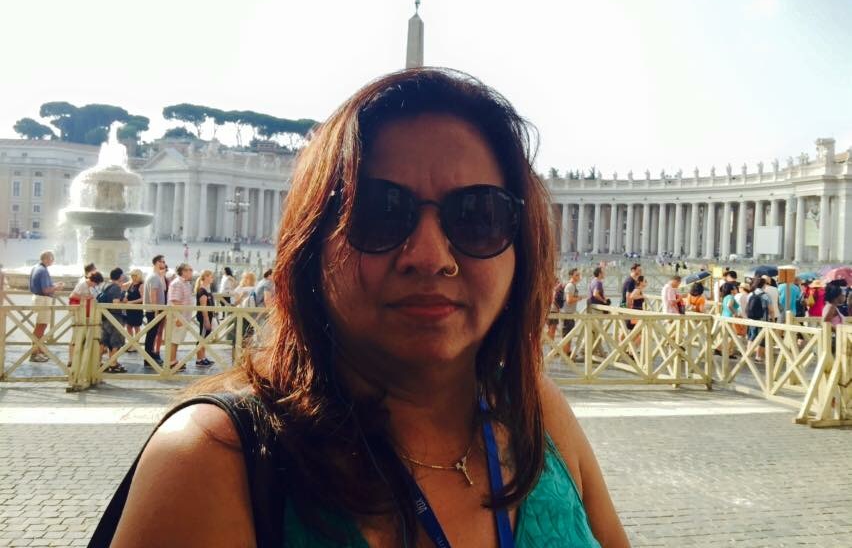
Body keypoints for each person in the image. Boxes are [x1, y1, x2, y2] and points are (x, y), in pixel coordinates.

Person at [102, 68, 627, 546]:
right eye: (380, 213)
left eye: (477, 216)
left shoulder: (537, 410)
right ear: (312, 243)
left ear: (523, 248)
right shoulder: (210, 461)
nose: (430, 257)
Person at [28, 250, 64, 362]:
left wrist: (54, 285)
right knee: (41, 326)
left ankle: (38, 350)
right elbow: (45, 290)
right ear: (46, 259)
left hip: (38, 298)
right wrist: (57, 287)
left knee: (39, 326)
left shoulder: (36, 268)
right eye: (52, 258)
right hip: (43, 300)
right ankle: (35, 353)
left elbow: (42, 286)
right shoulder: (43, 271)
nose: (53, 261)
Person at [166, 263, 202, 370]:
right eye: (190, 270)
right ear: (183, 272)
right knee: (174, 340)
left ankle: (173, 360)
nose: (191, 272)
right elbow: (175, 301)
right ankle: (171, 362)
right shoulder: (177, 283)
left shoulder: (186, 283)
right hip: (178, 316)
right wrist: (179, 317)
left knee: (177, 340)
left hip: (184, 316)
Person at [67, 263, 97, 367]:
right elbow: (72, 295)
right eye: (95, 270)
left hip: (85, 314)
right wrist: (86, 298)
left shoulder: (87, 283)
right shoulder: (83, 283)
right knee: (76, 335)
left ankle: (79, 359)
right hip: (79, 313)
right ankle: (72, 360)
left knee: (83, 336)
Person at [99, 267, 128, 373]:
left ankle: (98, 362)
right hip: (114, 317)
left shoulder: (106, 285)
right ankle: (113, 364)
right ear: (119, 276)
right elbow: (115, 303)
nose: (123, 276)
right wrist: (124, 301)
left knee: (104, 341)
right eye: (122, 274)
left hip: (105, 317)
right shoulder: (116, 287)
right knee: (116, 341)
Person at [143, 255, 167, 366]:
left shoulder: (154, 276)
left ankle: (149, 356)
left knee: (152, 334)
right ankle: (148, 357)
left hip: (153, 310)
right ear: (157, 263)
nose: (164, 264)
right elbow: (153, 295)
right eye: (163, 262)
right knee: (151, 334)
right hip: (154, 311)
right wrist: (157, 311)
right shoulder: (154, 277)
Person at [193, 270, 216, 367]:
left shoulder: (206, 289)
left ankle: (203, 357)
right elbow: (203, 307)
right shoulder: (202, 290)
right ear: (206, 277)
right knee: (202, 337)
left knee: (205, 337)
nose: (212, 278)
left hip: (208, 316)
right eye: (211, 277)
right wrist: (206, 320)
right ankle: (199, 359)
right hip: (204, 317)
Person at [745, 277, 771, 361]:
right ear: (763, 285)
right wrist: (773, 319)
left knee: (751, 335)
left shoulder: (750, 294)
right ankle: (758, 356)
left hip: (751, 318)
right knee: (762, 337)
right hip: (762, 319)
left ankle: (748, 354)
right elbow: (771, 309)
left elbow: (747, 307)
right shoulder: (765, 295)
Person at [122, 269, 145, 342]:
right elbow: (122, 286)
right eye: (132, 275)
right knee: (128, 326)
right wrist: (124, 297)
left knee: (136, 327)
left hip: (137, 309)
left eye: (134, 275)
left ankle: (136, 343)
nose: (132, 277)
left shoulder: (141, 285)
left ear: (138, 276)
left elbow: (142, 299)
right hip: (129, 310)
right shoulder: (130, 283)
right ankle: (131, 342)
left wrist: (131, 302)